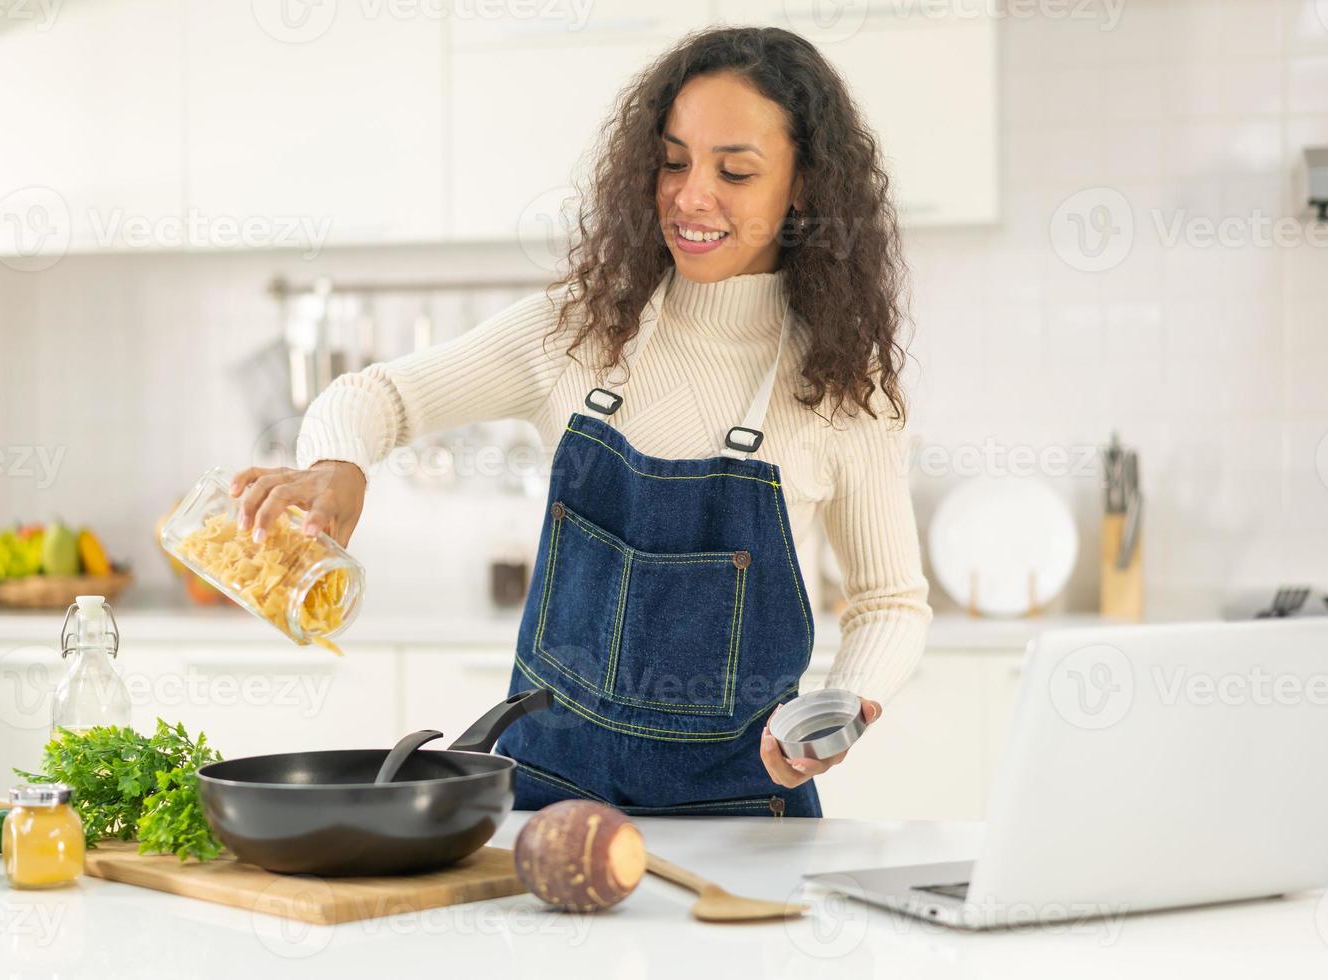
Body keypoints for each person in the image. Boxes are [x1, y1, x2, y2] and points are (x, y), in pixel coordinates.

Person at [232, 26, 931, 817]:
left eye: (735, 170)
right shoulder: (577, 335)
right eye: (673, 162)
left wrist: (847, 702)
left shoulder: (841, 385)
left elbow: (890, 601)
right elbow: (375, 399)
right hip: (545, 803)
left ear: (804, 185)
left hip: (743, 819)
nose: (691, 195)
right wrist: (337, 466)